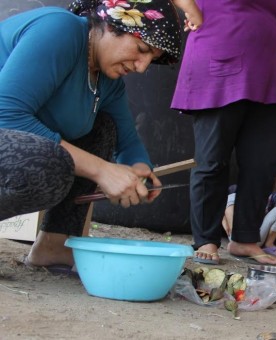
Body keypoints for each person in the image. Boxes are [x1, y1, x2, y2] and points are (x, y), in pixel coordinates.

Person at [0, 0, 186, 273]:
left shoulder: (107, 81)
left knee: (101, 130)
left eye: (152, 59)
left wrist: (139, 172)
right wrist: (102, 171)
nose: (142, 67)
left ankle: (55, 246)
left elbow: (126, 141)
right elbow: (6, 113)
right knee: (50, 163)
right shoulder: (60, 29)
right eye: (142, 50)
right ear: (111, 25)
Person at [171, 0, 276, 265]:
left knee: (264, 161)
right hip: (218, 63)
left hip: (265, 76)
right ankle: (206, 238)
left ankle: (244, 239)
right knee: (213, 159)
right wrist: (191, 9)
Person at [217, 151, 276, 262]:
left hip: (256, 238)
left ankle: (269, 245)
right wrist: (223, 217)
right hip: (238, 231)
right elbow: (230, 194)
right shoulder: (256, 183)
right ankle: (236, 240)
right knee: (233, 195)